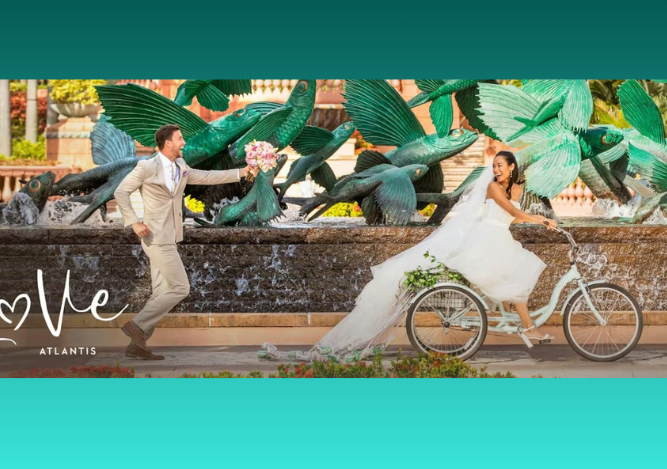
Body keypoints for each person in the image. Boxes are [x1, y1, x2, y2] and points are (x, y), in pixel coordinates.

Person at [262, 150, 556, 361]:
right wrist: (540, 220)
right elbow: (513, 212)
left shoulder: (515, 188)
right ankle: (528, 328)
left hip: (499, 238)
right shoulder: (492, 187)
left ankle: (526, 327)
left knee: (516, 280)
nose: (496, 170)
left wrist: (543, 216)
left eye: (501, 166)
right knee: (516, 278)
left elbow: (517, 209)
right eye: (494, 165)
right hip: (489, 240)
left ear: (512, 168)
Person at [115, 124, 254, 360]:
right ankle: (136, 326)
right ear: (168, 143)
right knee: (180, 288)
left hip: (171, 236)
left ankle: (137, 345)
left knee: (160, 293)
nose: (184, 143)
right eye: (180, 139)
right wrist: (134, 222)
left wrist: (242, 172)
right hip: (154, 236)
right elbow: (121, 192)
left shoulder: (181, 165)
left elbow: (207, 177)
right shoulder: (146, 167)